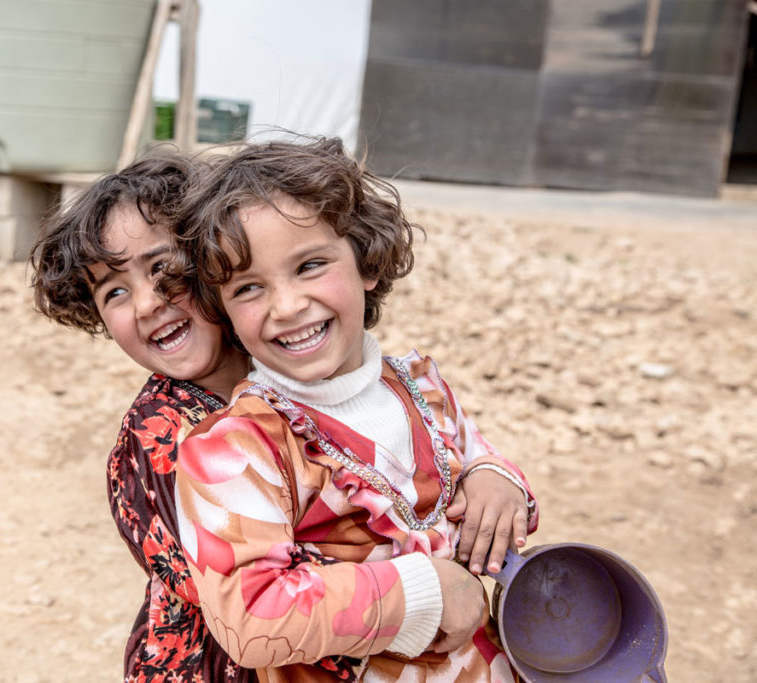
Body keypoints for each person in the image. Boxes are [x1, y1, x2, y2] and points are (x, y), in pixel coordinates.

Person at [165, 137, 539, 682]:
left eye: (311, 265)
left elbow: (478, 462)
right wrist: (426, 591)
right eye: (249, 288)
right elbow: (250, 614)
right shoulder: (234, 449)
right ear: (221, 310)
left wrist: (495, 478)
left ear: (366, 260)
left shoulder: (421, 387)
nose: (288, 306)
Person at [29, 153, 256, 682]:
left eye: (162, 268)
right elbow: (244, 596)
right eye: (114, 292)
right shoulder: (159, 437)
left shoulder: (284, 371)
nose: (149, 302)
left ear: (215, 258)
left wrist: (486, 471)